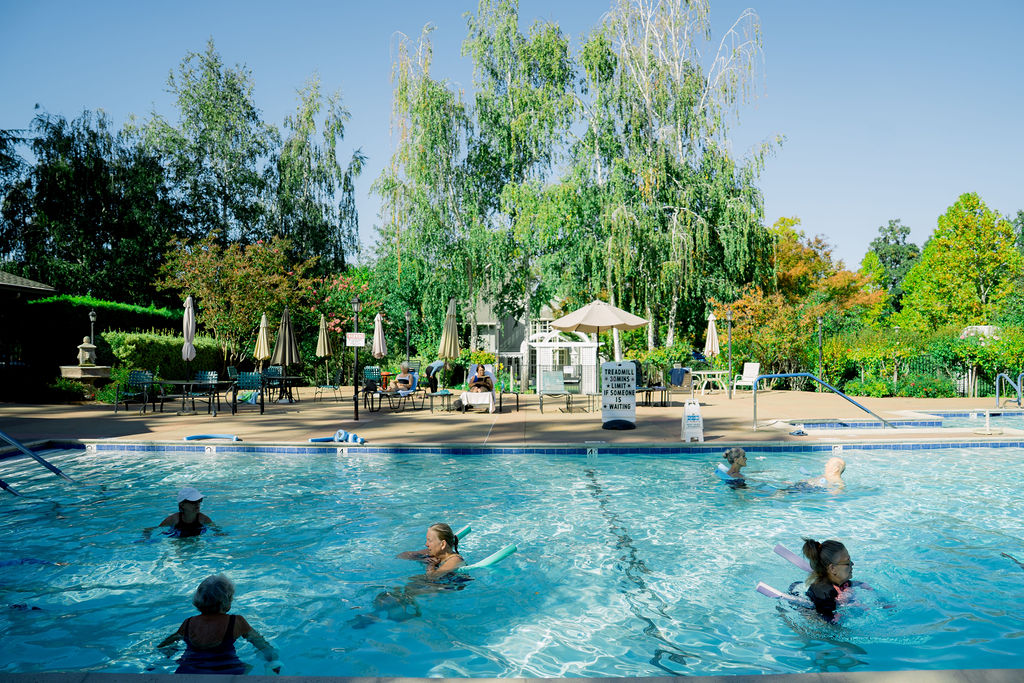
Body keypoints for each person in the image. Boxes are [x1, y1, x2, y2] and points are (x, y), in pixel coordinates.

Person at [158, 574, 279, 674]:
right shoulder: (236, 622)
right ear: (227, 601)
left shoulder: (189, 622)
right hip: (227, 670)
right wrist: (273, 660)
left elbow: (167, 646)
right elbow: (261, 644)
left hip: (190, 669)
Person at [800, 538, 862, 621]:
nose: (852, 564)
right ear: (833, 568)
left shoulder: (840, 580)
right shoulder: (824, 593)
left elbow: (854, 584)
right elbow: (827, 624)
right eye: (847, 562)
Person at [397, 522, 466, 578]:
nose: (426, 544)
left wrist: (431, 565)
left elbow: (432, 577)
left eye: (429, 540)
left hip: (450, 586)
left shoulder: (455, 560)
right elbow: (403, 555)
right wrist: (422, 559)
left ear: (443, 544)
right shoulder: (433, 553)